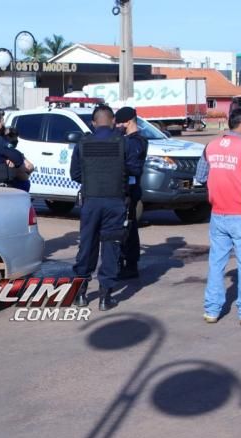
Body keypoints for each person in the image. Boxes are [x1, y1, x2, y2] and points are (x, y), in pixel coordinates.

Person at [194, 107, 241, 325]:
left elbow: (200, 176)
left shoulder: (211, 146)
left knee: (216, 263)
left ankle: (212, 310)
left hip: (218, 214)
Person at [71, 104, 145, 311]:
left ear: (93, 123)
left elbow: (75, 175)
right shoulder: (124, 142)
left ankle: (80, 294)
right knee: (111, 246)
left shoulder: (83, 143)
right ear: (113, 121)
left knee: (87, 245)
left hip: (91, 202)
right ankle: (105, 297)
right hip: (115, 201)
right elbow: (135, 169)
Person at [114, 106, 149, 279]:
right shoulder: (125, 138)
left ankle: (130, 264)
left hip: (130, 191)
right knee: (123, 228)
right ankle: (122, 261)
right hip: (122, 190)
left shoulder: (137, 141)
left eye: (120, 122)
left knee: (128, 229)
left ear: (128, 122)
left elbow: (132, 167)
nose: (117, 126)